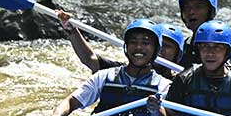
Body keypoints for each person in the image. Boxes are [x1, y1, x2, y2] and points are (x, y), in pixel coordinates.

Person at [47, 19, 170, 116]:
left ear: (156, 49)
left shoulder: (163, 85)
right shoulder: (104, 76)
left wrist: (156, 111)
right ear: (126, 47)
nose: (138, 47)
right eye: (133, 42)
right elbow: (72, 101)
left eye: (146, 43)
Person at [56, 10, 184, 79]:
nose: (161, 50)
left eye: (167, 46)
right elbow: (89, 59)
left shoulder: (183, 83)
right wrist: (72, 31)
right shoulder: (123, 72)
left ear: (177, 54)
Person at [177, 0, 218, 68]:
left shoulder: (225, 44)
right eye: (186, 7)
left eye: (198, 7)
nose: (191, 12)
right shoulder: (184, 46)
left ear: (210, 12)